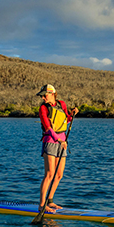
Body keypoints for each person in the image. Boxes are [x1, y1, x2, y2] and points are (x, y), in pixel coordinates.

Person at [37, 84, 78, 213]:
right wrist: (59, 140)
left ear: (53, 94)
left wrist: (72, 115)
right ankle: (42, 205)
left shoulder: (62, 104)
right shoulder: (43, 108)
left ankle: (50, 201)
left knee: (59, 175)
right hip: (50, 141)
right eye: (42, 95)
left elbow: (65, 120)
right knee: (49, 174)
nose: (43, 97)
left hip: (62, 143)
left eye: (45, 95)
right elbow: (48, 127)